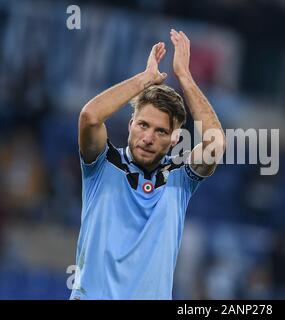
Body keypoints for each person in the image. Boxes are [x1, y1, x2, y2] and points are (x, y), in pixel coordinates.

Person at [70, 29, 225, 300]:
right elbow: (90, 117)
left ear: (175, 137)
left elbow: (216, 145)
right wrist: (145, 80)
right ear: (130, 125)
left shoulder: (180, 178)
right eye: (142, 125)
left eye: (161, 131)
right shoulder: (102, 165)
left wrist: (185, 77)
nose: (148, 138)